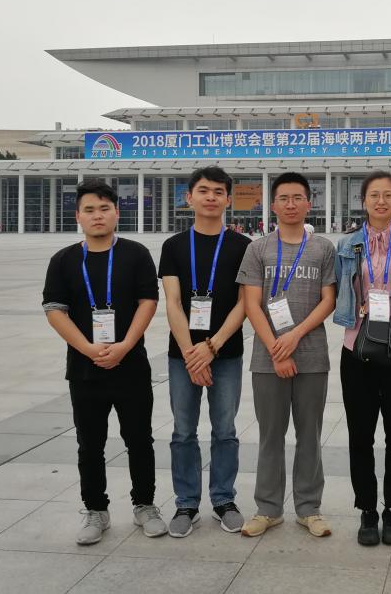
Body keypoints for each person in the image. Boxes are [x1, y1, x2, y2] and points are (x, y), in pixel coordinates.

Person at [41, 180, 167, 546]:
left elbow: (148, 301)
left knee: (139, 439)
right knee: (89, 443)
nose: (97, 216)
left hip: (131, 365)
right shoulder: (64, 260)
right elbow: (54, 309)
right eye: (89, 210)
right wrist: (87, 348)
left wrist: (125, 345)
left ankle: (145, 505)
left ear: (116, 212)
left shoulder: (135, 254)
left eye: (104, 208)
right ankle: (96, 509)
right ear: (78, 216)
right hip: (85, 369)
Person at [236, 172, 337, 539]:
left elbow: (328, 300)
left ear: (309, 203)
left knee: (309, 434)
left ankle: (309, 508)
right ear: (273, 205)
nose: (291, 204)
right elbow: (251, 304)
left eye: (297, 198)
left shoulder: (323, 248)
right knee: (270, 435)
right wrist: (276, 350)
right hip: (268, 359)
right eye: (284, 198)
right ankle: (268, 508)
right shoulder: (258, 249)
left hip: (311, 356)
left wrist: (294, 335)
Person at [334, 170, 391, 546]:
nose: (381, 201)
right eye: (374, 195)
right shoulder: (347, 244)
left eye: (388, 195)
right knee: (360, 434)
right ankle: (367, 510)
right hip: (357, 349)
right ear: (364, 201)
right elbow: (340, 289)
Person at [159, 167, 252, 537]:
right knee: (183, 431)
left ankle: (224, 499)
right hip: (182, 355)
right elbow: (172, 302)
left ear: (228, 199)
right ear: (189, 197)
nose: (210, 197)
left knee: (225, 430)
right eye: (203, 190)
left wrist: (211, 347)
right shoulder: (173, 246)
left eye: (217, 191)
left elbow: (245, 303)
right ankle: (186, 503)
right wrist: (191, 353)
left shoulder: (243, 246)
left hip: (225, 353)